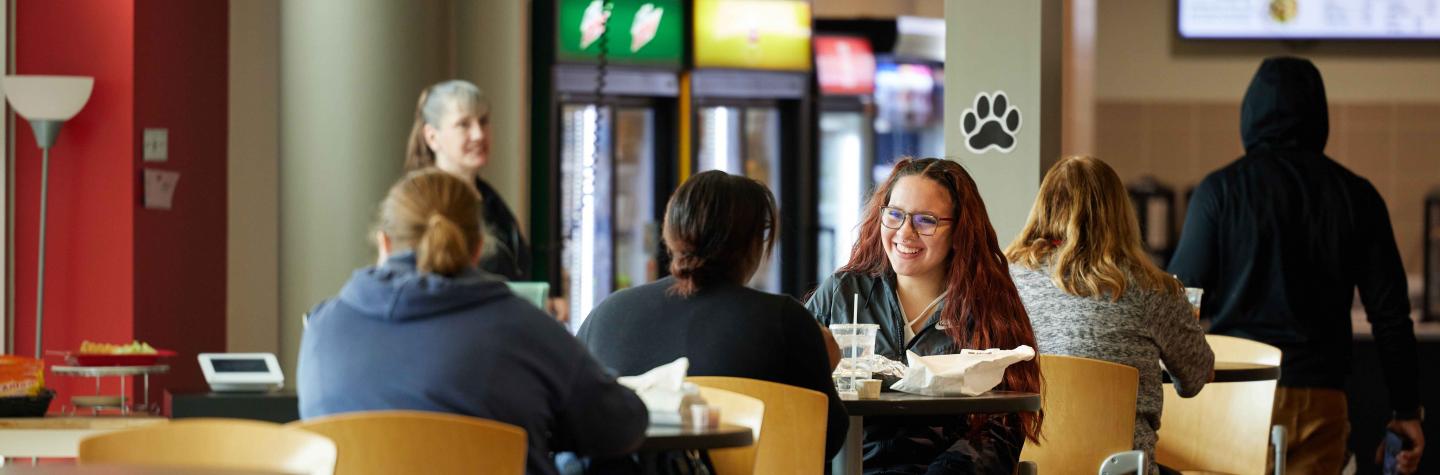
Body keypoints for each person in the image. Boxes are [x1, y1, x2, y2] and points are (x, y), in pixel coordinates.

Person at [1168, 56, 1424, 474]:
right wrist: (1406, 409)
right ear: (1319, 116)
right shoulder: (1357, 195)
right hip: (1319, 397)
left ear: (1248, 114)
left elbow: (1179, 302)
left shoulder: (1218, 192)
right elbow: (1391, 315)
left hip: (1236, 393)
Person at [297, 170, 646, 475]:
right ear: (478, 248)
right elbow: (622, 426)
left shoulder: (321, 329)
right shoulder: (525, 327)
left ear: (384, 243)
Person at [577, 170, 849, 463]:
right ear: (754, 242)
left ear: (670, 232)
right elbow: (826, 438)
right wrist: (827, 361)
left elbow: (573, 422)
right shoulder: (785, 320)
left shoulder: (608, 313)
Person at [807, 157, 1042, 475]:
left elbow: (1002, 428)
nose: (905, 232)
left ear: (960, 230)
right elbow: (795, 389)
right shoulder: (843, 292)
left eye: (926, 220)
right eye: (895, 215)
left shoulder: (987, 305)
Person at [1005, 155, 1214, 475]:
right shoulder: (1153, 289)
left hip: (1027, 465)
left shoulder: (1006, 279)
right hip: (1122, 469)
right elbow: (1196, 377)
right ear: (1121, 213)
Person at [405, 79, 531, 282]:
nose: (478, 134)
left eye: (483, 121)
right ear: (432, 137)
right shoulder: (420, 204)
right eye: (463, 124)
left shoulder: (490, 199)